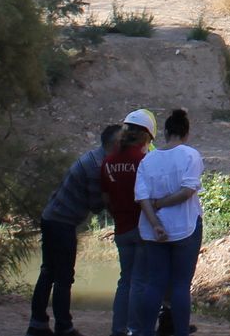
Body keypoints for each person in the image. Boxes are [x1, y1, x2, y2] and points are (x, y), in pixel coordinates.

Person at [30, 124, 121, 336]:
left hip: (51, 217)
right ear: (115, 144)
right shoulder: (97, 167)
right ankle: (64, 327)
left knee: (48, 272)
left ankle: (37, 324)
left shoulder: (94, 158)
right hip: (62, 223)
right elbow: (96, 205)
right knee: (63, 276)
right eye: (123, 140)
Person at [131, 109, 202, 336]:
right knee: (181, 284)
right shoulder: (191, 155)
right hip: (185, 226)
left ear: (165, 132)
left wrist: (155, 223)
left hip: (153, 231)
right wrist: (162, 203)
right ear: (186, 133)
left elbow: (142, 197)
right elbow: (188, 191)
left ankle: (145, 332)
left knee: (155, 283)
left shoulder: (148, 159)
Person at [101, 109, 155, 336]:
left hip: (121, 228)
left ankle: (118, 329)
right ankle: (135, 329)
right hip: (142, 228)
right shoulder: (144, 161)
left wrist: (118, 215)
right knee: (140, 281)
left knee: (125, 280)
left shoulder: (108, 162)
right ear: (146, 136)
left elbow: (106, 199)